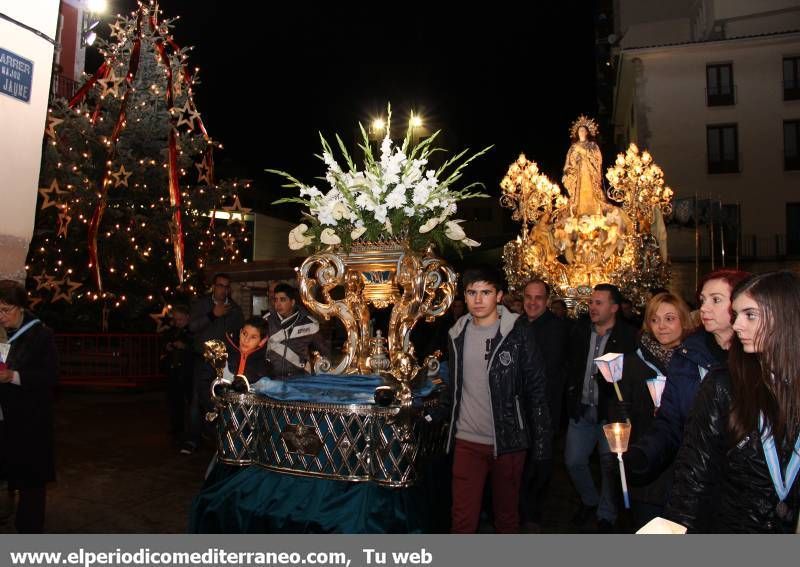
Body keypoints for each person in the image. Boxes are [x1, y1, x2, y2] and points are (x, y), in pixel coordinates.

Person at [665, 271, 800, 532]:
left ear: (785, 316)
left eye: (750, 315)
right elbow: (693, 478)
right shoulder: (723, 385)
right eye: (737, 316)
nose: (736, 325)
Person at [439, 268, 551, 533]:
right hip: (467, 440)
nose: (478, 299)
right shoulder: (457, 334)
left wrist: (543, 445)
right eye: (472, 293)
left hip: (508, 441)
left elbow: (537, 388)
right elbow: (454, 386)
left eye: (486, 292)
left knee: (507, 518)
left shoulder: (517, 333)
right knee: (462, 520)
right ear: (464, 296)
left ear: (499, 296)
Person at [624, 270, 751, 495]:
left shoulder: (758, 357)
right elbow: (671, 421)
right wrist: (644, 453)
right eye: (702, 300)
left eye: (716, 300)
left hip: (745, 484)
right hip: (696, 479)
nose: (704, 308)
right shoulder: (686, 356)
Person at [616, 292, 694, 529]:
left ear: (683, 320)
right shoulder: (633, 363)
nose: (661, 326)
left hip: (688, 470)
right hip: (649, 469)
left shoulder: (696, 362)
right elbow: (620, 416)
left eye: (669, 319)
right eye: (655, 319)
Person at [564, 283, 637, 532]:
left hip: (611, 414)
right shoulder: (579, 331)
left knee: (610, 467)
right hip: (582, 409)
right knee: (573, 460)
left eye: (599, 303)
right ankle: (590, 500)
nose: (592, 307)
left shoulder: (629, 337)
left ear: (614, 307)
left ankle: (606, 514)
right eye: (591, 302)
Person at [0, 280, 57, 533]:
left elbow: (50, 377)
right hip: (4, 420)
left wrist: (13, 376)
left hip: (29, 421)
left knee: (31, 483)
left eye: (5, 310)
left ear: (21, 307)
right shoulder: (1, 333)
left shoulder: (40, 335)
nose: (0, 316)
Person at [516, 279, 569, 531]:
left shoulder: (557, 329)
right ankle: (523, 513)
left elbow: (548, 373)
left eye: (538, 298)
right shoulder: (517, 325)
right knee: (523, 465)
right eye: (528, 296)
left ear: (547, 301)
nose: (533, 302)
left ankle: (533, 516)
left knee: (541, 465)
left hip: (544, 410)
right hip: (519, 411)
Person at [183, 273, 243, 455]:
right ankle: (191, 440)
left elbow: (240, 335)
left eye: (226, 286)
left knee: (221, 400)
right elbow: (191, 328)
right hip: (202, 360)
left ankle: (220, 440)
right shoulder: (201, 304)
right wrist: (212, 315)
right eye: (220, 285)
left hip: (224, 363)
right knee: (195, 401)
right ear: (213, 286)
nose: (223, 289)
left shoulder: (234, 309)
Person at [263, 283, 328, 378]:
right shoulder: (266, 321)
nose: (278, 304)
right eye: (275, 300)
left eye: (283, 300)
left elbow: (324, 351)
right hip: (272, 378)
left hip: (300, 378)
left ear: (292, 302)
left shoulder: (309, 324)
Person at [562, 115, 605, 218]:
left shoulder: (592, 145)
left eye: (583, 130)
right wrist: (566, 173)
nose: (581, 132)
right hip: (577, 175)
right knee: (577, 195)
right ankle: (578, 212)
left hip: (590, 173)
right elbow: (568, 162)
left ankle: (594, 211)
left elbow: (598, 158)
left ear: (587, 132)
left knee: (591, 191)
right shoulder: (573, 147)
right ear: (577, 133)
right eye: (580, 130)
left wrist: (583, 151)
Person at [162, 304, 193, 440]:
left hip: (187, 371)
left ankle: (191, 429)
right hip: (174, 370)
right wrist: (168, 346)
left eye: (180, 319)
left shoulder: (192, 332)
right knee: (174, 400)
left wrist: (185, 347)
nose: (178, 322)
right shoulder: (173, 331)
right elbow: (165, 341)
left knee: (189, 401)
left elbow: (196, 348)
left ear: (187, 318)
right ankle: (177, 427)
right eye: (176, 320)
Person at [225, 317, 269, 382]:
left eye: (253, 337)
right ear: (240, 332)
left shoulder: (263, 366)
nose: (246, 340)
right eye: (244, 333)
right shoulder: (225, 353)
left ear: (262, 341)